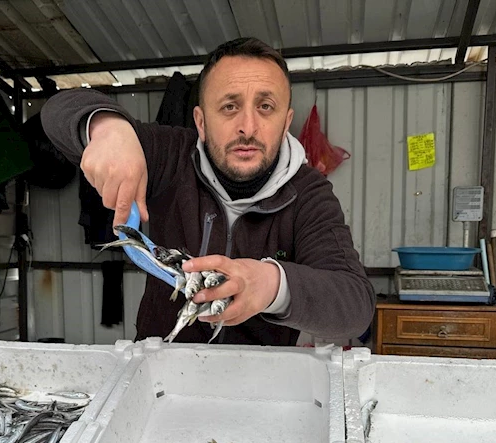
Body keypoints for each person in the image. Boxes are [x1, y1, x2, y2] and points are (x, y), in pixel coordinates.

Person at [41, 37, 375, 345]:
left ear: (286, 122)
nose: (248, 126)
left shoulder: (308, 194)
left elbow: (355, 307)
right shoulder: (169, 155)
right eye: (229, 106)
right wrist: (107, 128)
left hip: (262, 385)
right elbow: (58, 110)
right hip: (161, 376)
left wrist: (271, 283)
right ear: (200, 122)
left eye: (265, 107)